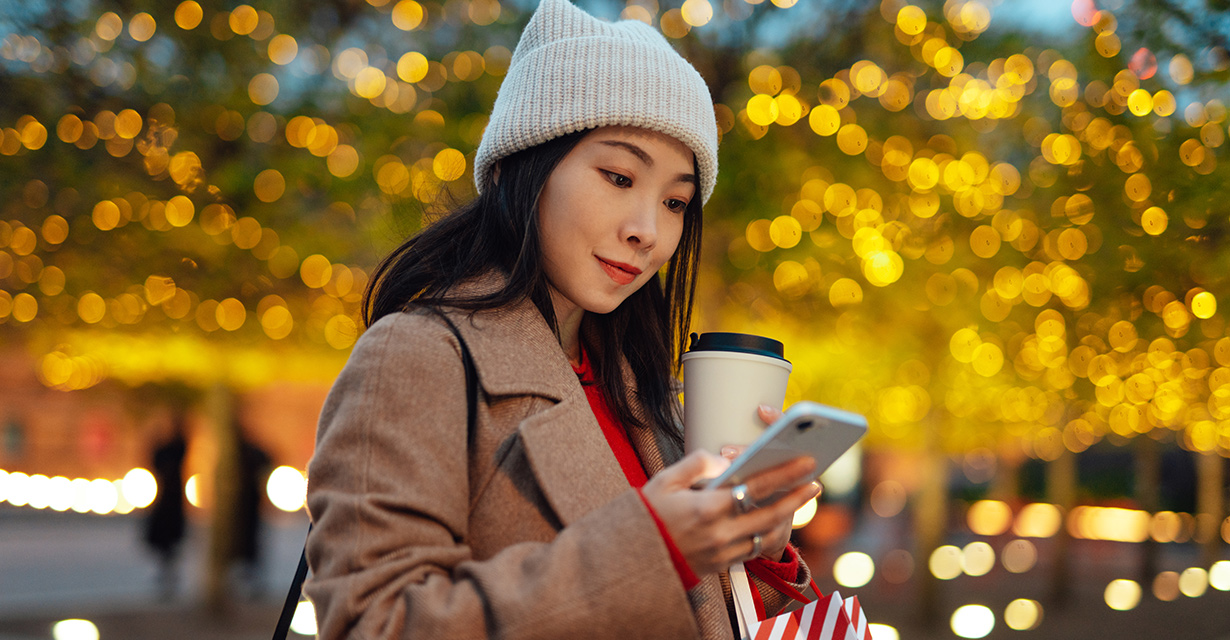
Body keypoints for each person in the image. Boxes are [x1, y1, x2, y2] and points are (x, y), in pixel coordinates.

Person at [304, 0, 821, 637]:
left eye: (676, 201)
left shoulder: (642, 389)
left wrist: (762, 547)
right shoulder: (418, 357)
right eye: (617, 176)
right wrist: (650, 546)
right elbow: (371, 623)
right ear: (527, 166)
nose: (647, 231)